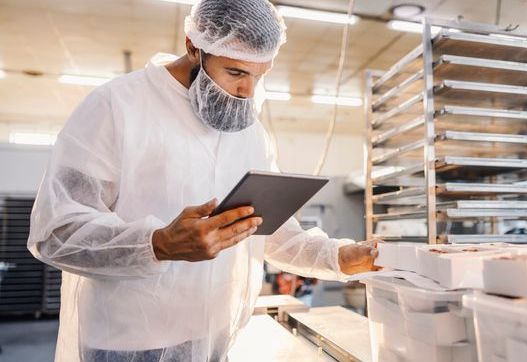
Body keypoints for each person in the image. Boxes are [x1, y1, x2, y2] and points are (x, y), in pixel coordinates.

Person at [27, 0, 379, 360]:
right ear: (194, 47)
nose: (248, 92)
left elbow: (267, 231)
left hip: (212, 336)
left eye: (260, 75)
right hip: (129, 341)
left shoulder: (250, 133)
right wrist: (158, 243)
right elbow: (57, 231)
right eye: (236, 73)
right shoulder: (117, 106)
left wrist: (339, 257)